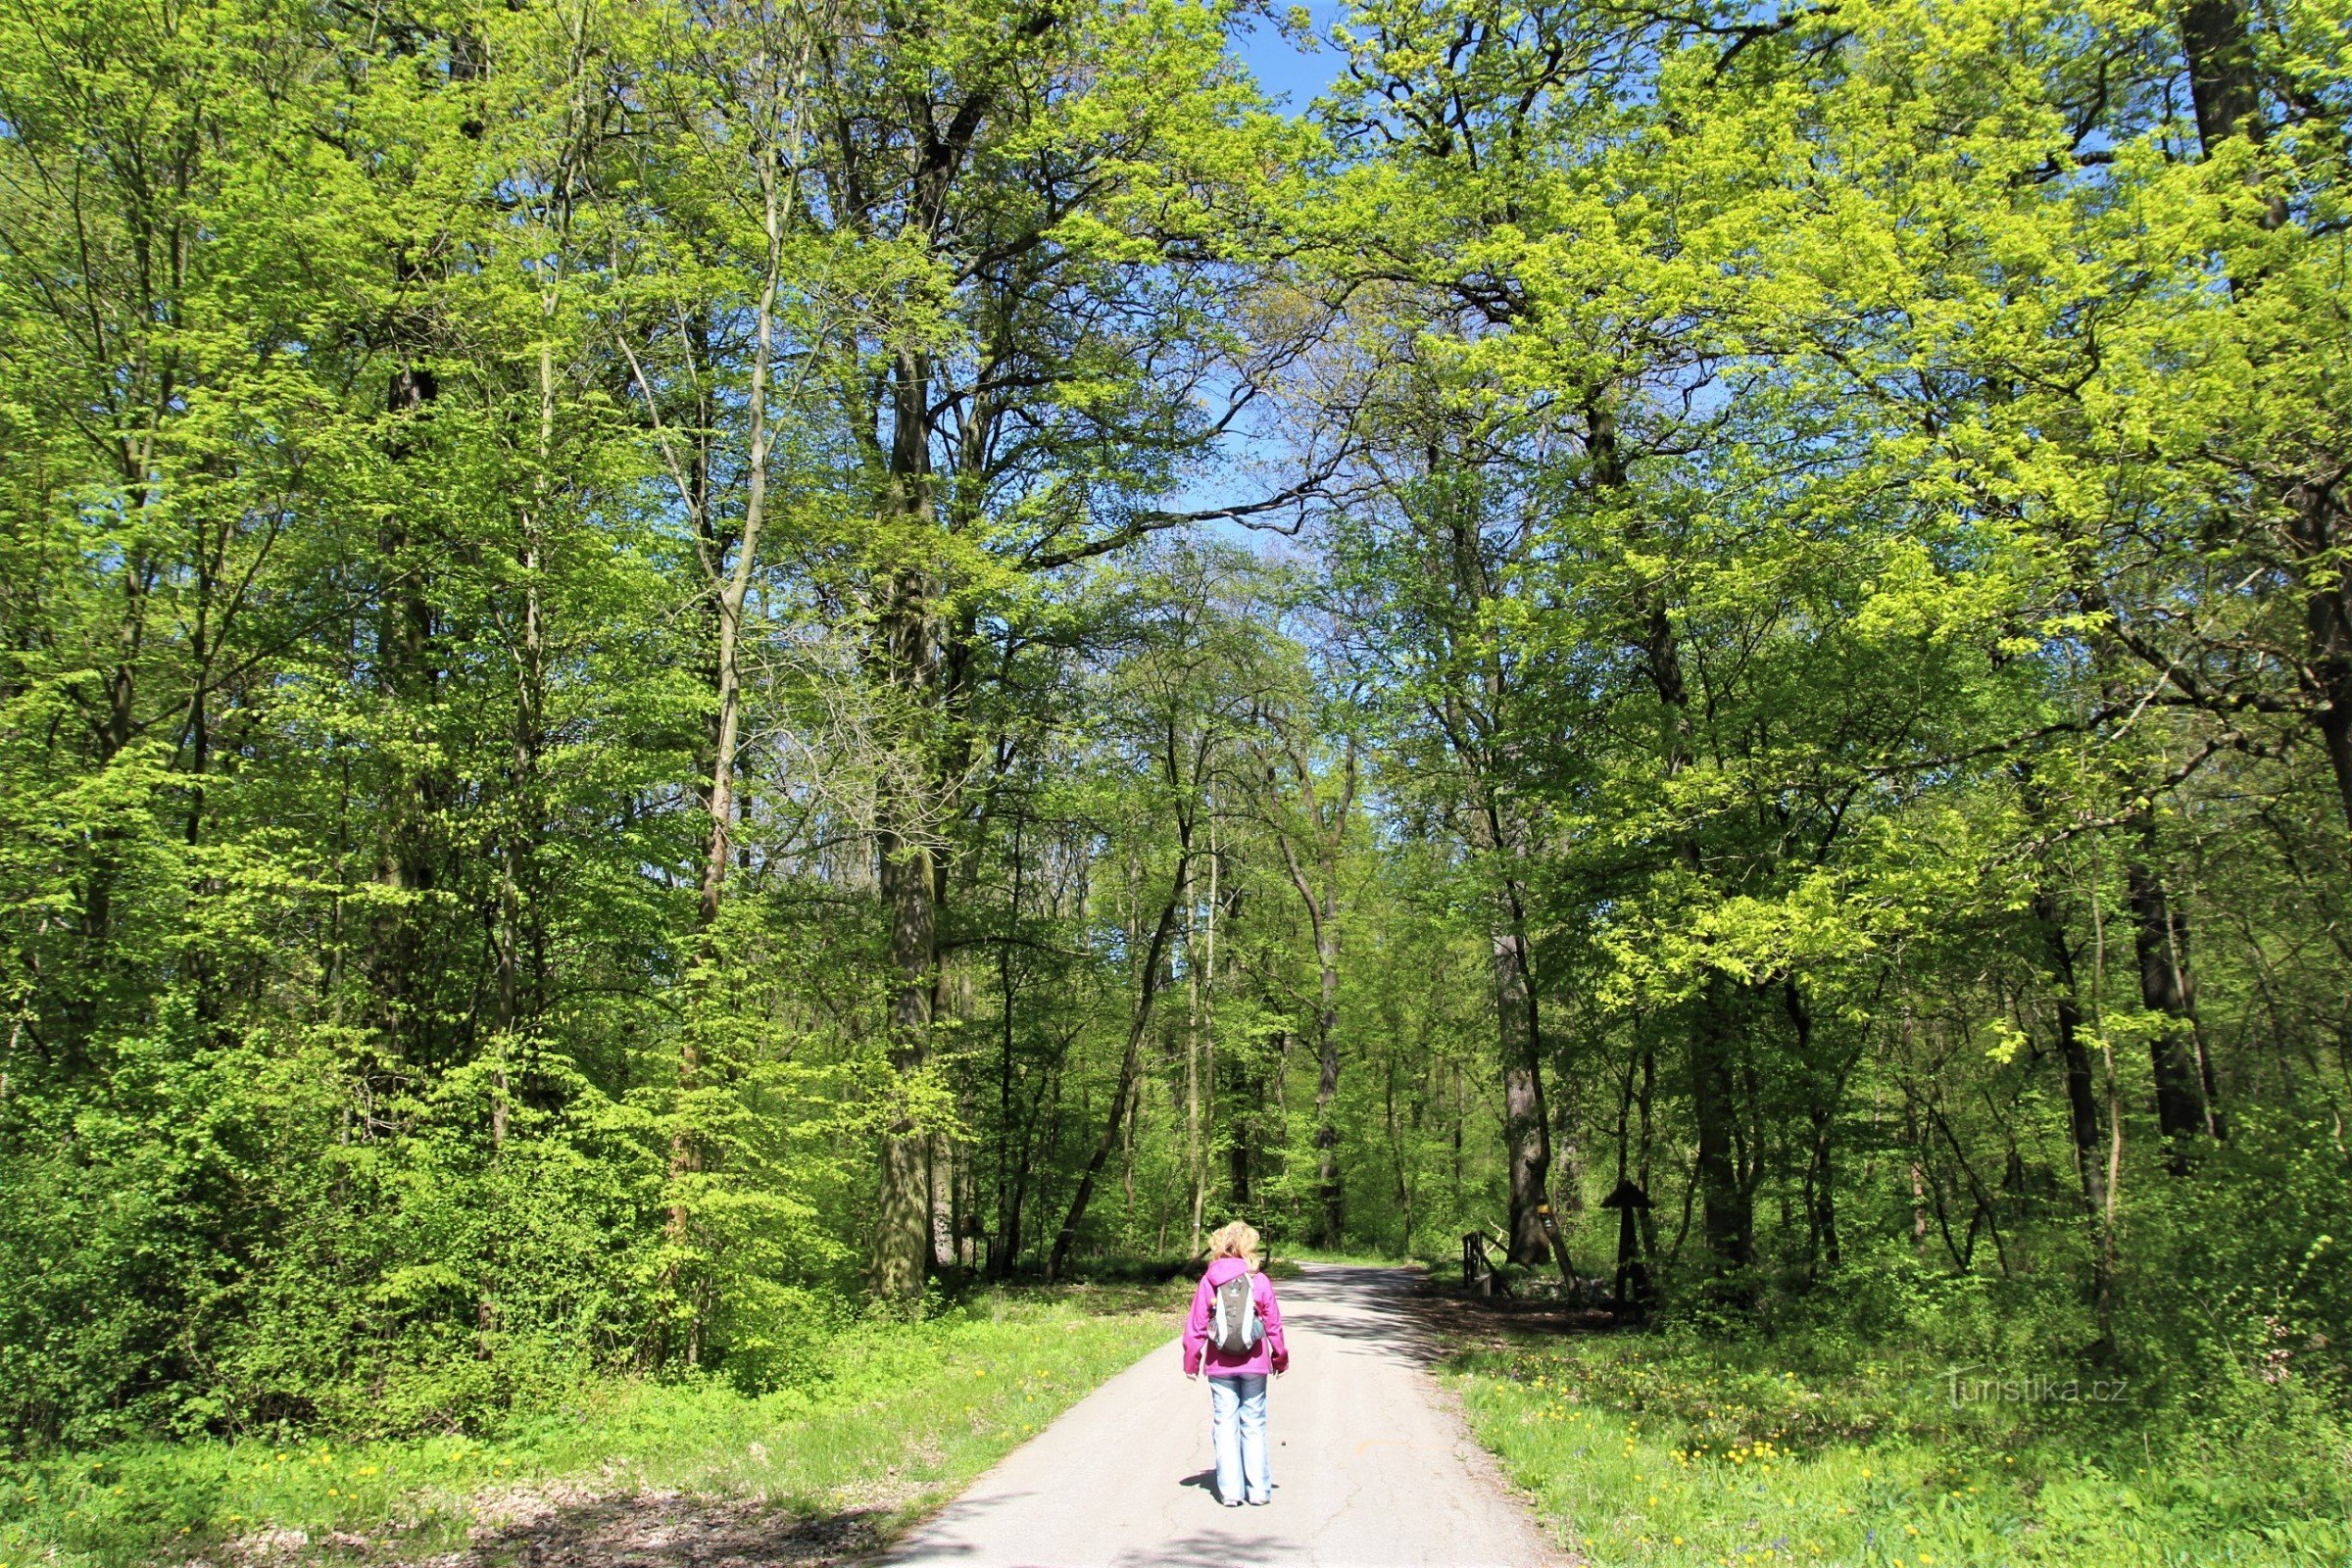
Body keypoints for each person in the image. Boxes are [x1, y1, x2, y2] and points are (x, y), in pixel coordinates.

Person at [1182, 1219, 1289, 1506]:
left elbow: (1196, 1324)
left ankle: (1230, 1492)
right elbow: (1273, 1324)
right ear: (1249, 1246)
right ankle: (1259, 1491)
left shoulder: (1210, 1280)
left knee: (1225, 1423)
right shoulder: (1259, 1280)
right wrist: (1279, 1358)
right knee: (1253, 1423)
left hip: (1220, 1364)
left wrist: (1192, 1361)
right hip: (1255, 1362)